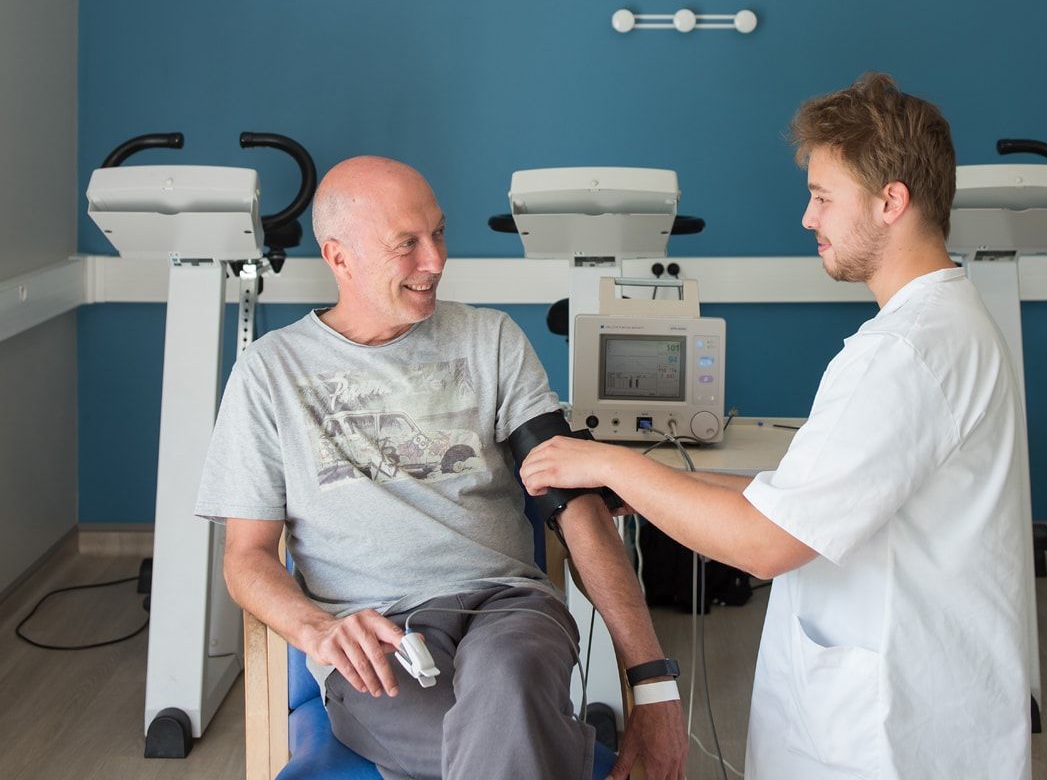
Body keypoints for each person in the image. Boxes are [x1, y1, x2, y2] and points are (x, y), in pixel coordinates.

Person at [520, 73, 1033, 780]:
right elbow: (794, 493)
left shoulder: (904, 353)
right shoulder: (944, 325)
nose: (807, 217)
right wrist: (647, 487)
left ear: (891, 202)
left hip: (888, 734)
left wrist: (611, 466)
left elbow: (765, 542)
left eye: (823, 197)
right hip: (912, 702)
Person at [195, 156, 687, 780]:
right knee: (508, 736)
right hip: (380, 639)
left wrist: (650, 681)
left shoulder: (492, 340)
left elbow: (574, 504)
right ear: (339, 258)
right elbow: (247, 557)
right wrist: (318, 629)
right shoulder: (270, 373)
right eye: (408, 244)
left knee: (509, 685)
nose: (435, 261)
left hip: (509, 608)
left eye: (439, 233)